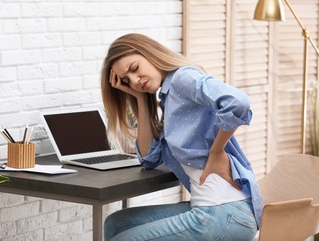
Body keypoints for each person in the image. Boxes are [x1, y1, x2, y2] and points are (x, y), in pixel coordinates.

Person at [100, 33, 263, 241]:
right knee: (116, 223)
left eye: (134, 69)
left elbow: (238, 102)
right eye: (126, 80)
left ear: (149, 53)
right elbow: (149, 158)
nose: (134, 80)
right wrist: (140, 97)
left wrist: (217, 150)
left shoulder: (182, 78)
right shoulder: (168, 99)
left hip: (226, 211)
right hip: (211, 207)